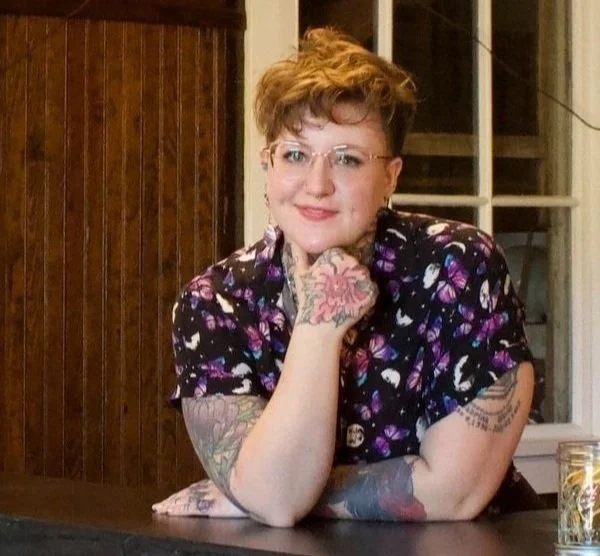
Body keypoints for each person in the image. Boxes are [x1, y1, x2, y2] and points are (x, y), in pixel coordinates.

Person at [152, 27, 540, 527]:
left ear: (390, 176)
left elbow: (454, 494)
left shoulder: (458, 267)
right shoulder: (214, 303)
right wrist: (319, 324)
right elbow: (276, 501)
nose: (317, 185)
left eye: (347, 159)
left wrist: (261, 492)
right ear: (268, 164)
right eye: (295, 155)